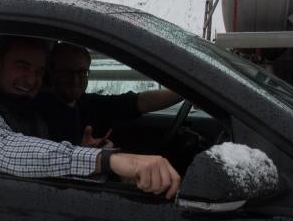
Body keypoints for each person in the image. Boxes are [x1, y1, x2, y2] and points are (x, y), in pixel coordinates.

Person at [0, 37, 181, 198]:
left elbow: (40, 149)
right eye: (22, 67)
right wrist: (107, 160)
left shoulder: (21, 102)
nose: (31, 80)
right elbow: (0, 151)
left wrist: (83, 149)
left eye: (38, 72)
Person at [36, 42, 183, 147]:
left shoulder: (85, 102)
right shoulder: (37, 111)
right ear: (51, 72)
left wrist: (185, 92)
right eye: (67, 72)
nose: (75, 79)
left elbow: (140, 102)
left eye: (81, 72)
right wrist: (81, 152)